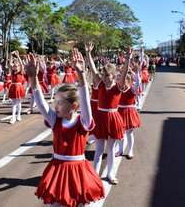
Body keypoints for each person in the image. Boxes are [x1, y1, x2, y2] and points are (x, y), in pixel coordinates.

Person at [24, 49, 105, 207]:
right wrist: (33, 77)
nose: (55, 106)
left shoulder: (84, 121)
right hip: (57, 169)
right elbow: (40, 103)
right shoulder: (55, 120)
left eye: (60, 103)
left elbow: (86, 103)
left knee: (81, 203)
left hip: (79, 171)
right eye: (55, 102)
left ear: (73, 106)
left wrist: (80, 75)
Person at [85, 42, 132, 184]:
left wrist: (128, 59)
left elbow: (123, 73)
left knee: (110, 150)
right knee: (98, 150)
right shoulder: (99, 84)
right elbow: (93, 69)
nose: (104, 77)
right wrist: (88, 53)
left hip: (112, 118)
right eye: (103, 75)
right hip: (100, 117)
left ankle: (110, 174)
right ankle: (95, 175)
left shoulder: (118, 86)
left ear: (113, 76)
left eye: (107, 75)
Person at [115, 67, 141, 159]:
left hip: (129, 113)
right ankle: (120, 150)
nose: (122, 84)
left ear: (129, 82)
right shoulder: (119, 90)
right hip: (120, 112)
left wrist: (137, 74)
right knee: (120, 132)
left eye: (124, 82)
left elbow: (137, 84)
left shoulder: (132, 90)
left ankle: (130, 151)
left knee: (129, 133)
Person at [8, 51, 25, 124]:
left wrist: (18, 56)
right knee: (13, 103)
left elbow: (21, 64)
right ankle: (13, 117)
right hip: (13, 87)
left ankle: (18, 115)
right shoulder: (12, 72)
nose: (15, 67)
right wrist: (10, 55)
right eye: (14, 66)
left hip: (19, 87)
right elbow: (9, 64)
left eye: (16, 66)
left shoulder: (20, 72)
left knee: (19, 103)